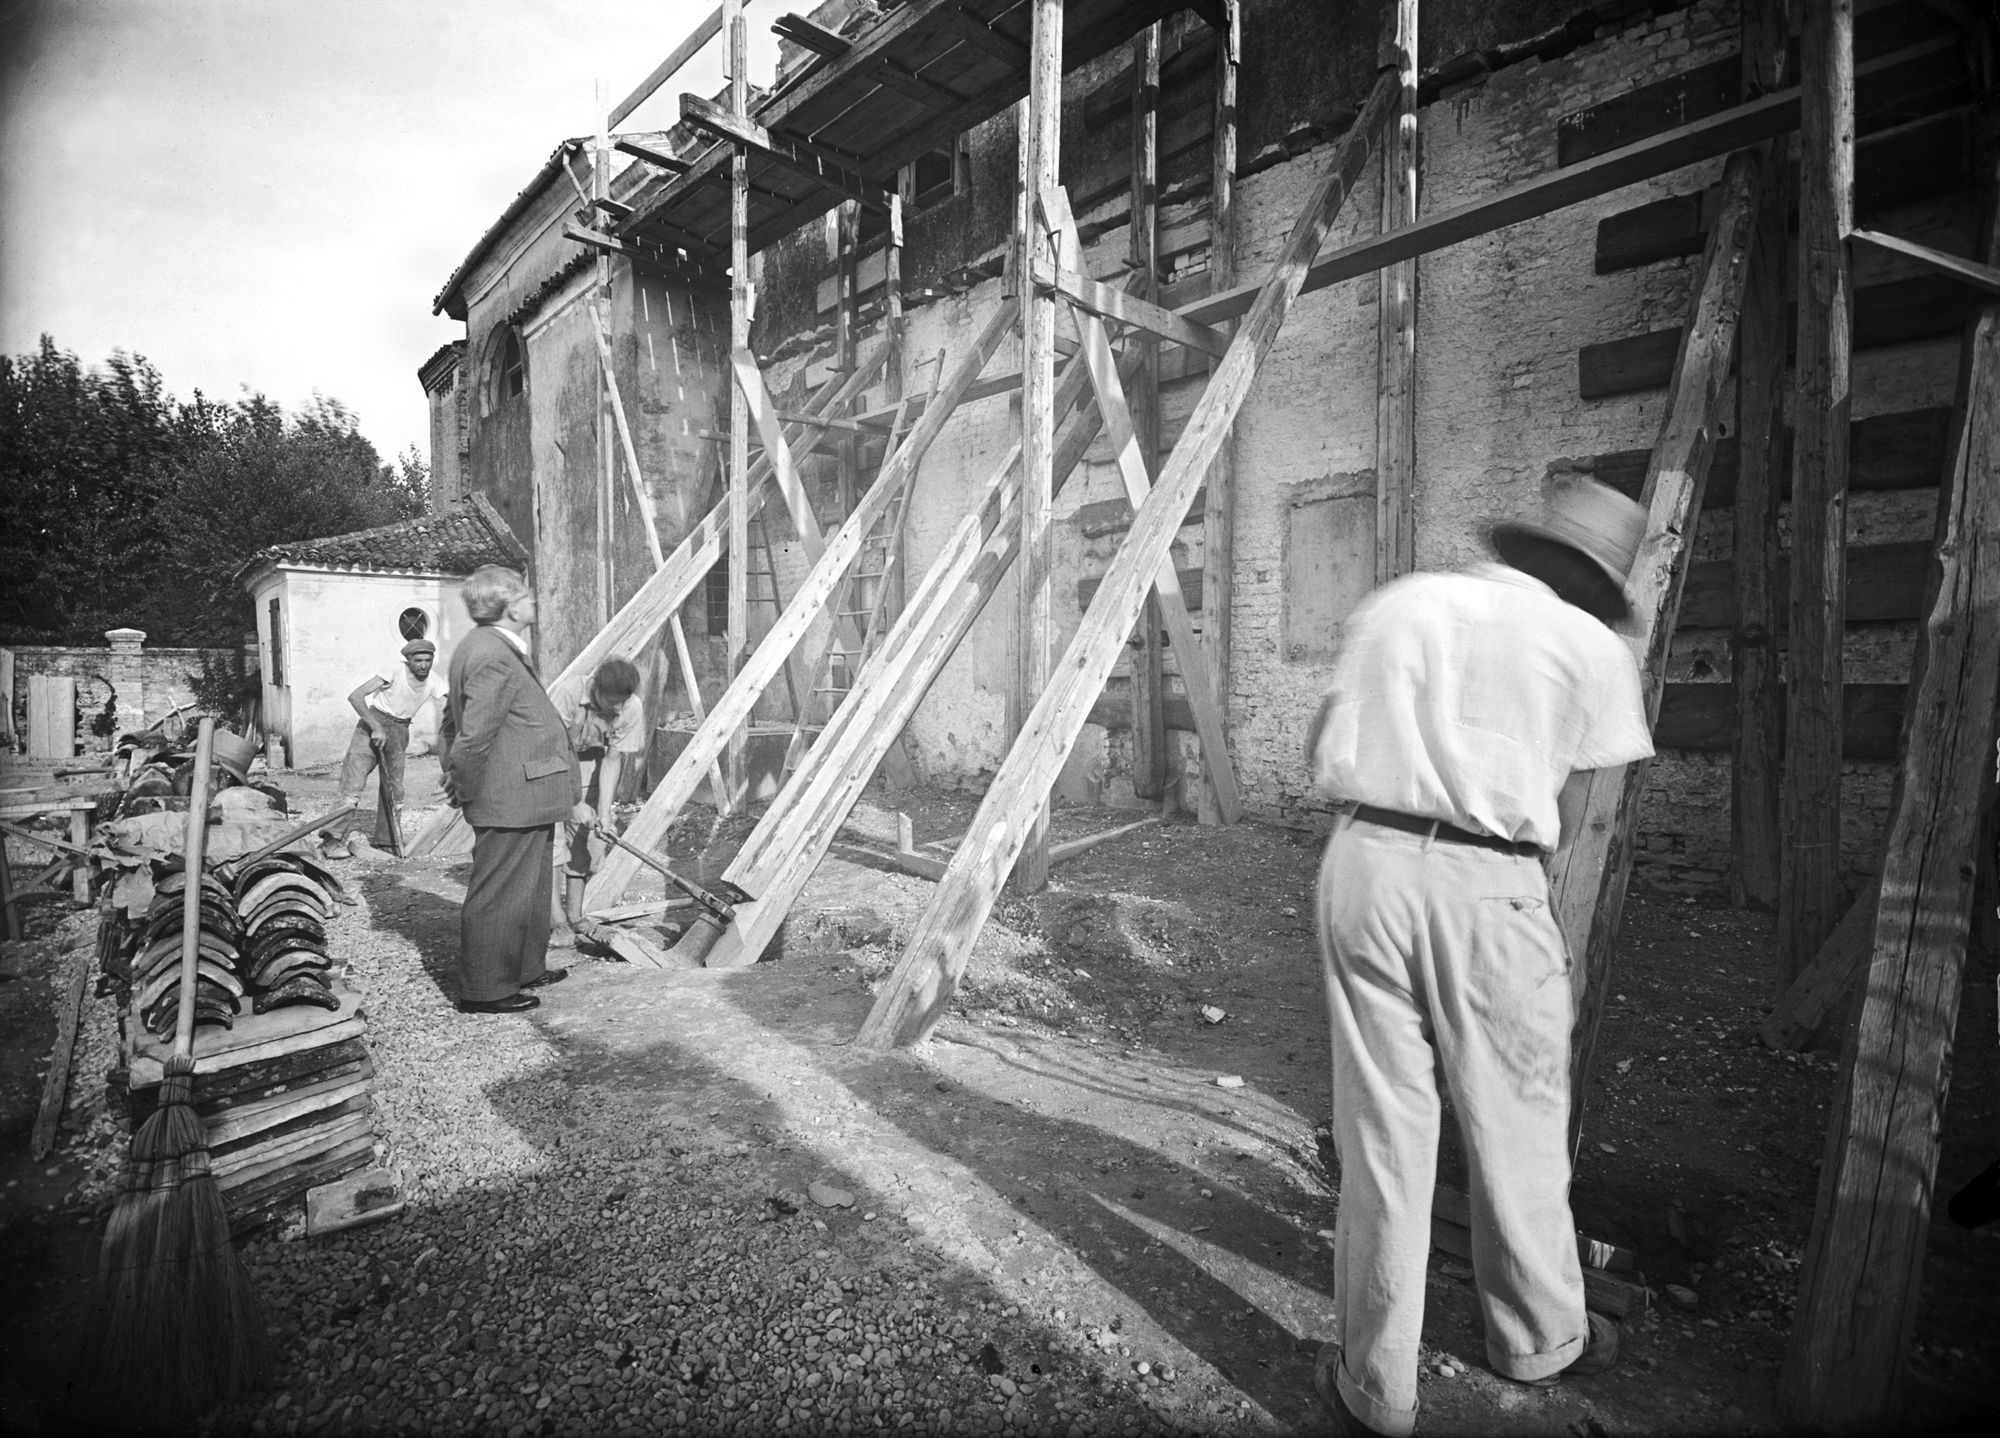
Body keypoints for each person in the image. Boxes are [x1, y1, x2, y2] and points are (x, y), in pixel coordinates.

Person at [1304, 477, 1655, 1437]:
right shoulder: (1593, 649)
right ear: (1592, 579)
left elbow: (1320, 751)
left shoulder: (1401, 601)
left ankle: (1378, 1390)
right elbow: (1576, 817)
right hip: (1491, 875)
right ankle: (1537, 1340)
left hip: (1364, 860)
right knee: (1519, 1122)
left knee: (1382, 1129)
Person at [439, 566, 589, 1015]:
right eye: (526, 596)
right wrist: (462, 784)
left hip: (527, 794)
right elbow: (472, 734)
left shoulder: (492, 647)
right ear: (509, 606)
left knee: (529, 888)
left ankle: (523, 969)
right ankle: (486, 989)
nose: (534, 603)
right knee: (499, 893)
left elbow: (456, 721)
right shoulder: (491, 653)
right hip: (508, 796)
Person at [324, 639, 447, 859]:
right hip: (372, 725)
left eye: (428, 660)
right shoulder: (394, 671)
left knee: (395, 790)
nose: (423, 665)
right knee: (352, 785)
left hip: (400, 731)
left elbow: (454, 699)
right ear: (407, 660)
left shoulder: (434, 681)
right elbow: (355, 696)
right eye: (418, 660)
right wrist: (376, 727)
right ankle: (331, 840)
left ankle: (386, 843)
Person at [558, 657, 647, 951]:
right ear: (595, 690)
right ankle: (554, 923)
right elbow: (554, 750)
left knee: (587, 840)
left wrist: (604, 812)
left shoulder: (630, 706)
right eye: (613, 702)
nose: (618, 709)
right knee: (550, 843)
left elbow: (612, 758)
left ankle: (575, 916)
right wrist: (573, 800)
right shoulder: (568, 693)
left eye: (623, 701)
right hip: (550, 763)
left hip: (591, 763)